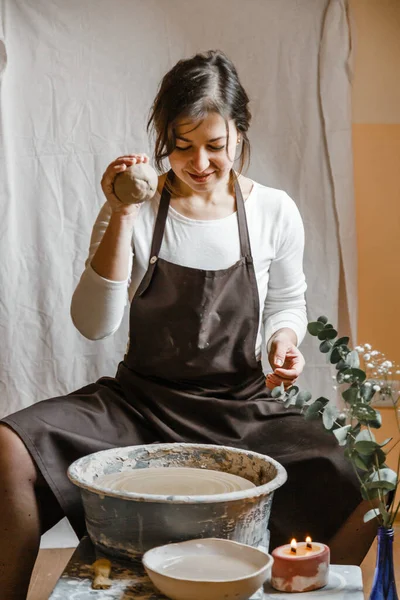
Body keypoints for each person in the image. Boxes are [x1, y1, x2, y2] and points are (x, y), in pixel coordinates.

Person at [0, 50, 375, 599]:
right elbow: (93, 324)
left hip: (242, 409)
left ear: (240, 135)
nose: (199, 162)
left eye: (215, 146)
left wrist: (283, 341)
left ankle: (290, 590)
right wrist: (121, 211)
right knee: (8, 447)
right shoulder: (134, 209)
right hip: (139, 406)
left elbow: (288, 303)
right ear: (162, 139)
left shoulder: (273, 210)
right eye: (182, 146)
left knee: (372, 474)